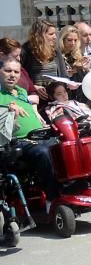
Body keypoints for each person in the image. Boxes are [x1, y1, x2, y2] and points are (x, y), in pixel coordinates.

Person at [0, 58, 60, 203]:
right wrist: (8, 110)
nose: (12, 75)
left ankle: (74, 188)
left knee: (68, 146)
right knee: (43, 152)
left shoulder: (21, 92)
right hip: (18, 142)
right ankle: (53, 199)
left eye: (16, 71)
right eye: (7, 71)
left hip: (41, 135)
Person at [20, 18, 69, 102]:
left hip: (55, 100)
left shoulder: (56, 52)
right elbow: (20, 76)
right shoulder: (25, 51)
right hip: (35, 100)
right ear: (39, 35)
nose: (55, 37)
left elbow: (63, 76)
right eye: (51, 34)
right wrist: (34, 87)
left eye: (55, 34)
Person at [0, 38, 40, 103]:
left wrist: (34, 108)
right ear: (1, 55)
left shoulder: (22, 70)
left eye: (16, 72)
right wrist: (24, 99)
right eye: (16, 56)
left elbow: (32, 91)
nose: (19, 59)